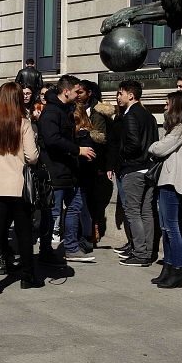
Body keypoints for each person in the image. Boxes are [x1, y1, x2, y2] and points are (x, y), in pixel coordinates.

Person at [0, 82, 43, 297]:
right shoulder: (23, 123)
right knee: (24, 232)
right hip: (18, 186)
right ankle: (27, 277)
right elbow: (32, 156)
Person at [38, 75, 96, 263]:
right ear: (66, 91)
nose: (79, 94)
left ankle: (70, 247)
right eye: (76, 91)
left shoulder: (66, 110)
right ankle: (46, 251)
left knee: (75, 206)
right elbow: (52, 139)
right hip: (55, 171)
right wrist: (78, 150)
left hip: (69, 171)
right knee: (52, 213)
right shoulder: (51, 112)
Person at [146, 91, 182, 284]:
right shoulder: (180, 127)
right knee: (166, 227)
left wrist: (152, 146)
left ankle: (177, 269)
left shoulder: (181, 128)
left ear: (177, 106)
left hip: (173, 181)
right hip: (169, 180)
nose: (165, 107)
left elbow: (159, 148)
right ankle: (169, 267)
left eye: (167, 104)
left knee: (171, 227)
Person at [113, 80, 159, 264]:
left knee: (133, 212)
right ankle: (147, 251)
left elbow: (133, 144)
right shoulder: (148, 115)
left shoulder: (131, 115)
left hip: (134, 168)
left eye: (120, 93)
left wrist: (121, 155)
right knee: (146, 211)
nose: (118, 97)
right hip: (148, 168)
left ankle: (140, 253)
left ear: (130, 95)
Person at [76, 79, 116, 243]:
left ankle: (93, 231)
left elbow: (104, 138)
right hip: (80, 160)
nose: (78, 95)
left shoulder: (98, 111)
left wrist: (84, 133)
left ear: (89, 93)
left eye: (81, 92)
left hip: (95, 161)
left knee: (92, 199)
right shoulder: (75, 108)